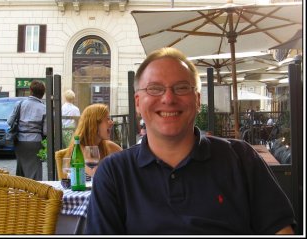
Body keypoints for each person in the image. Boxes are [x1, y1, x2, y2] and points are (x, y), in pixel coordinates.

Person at [86, 47, 295, 235]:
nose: (168, 98)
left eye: (181, 87)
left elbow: (280, 230)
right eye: (155, 88)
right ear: (138, 103)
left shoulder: (241, 158)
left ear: (197, 100)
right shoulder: (114, 172)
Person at [57, 103, 122, 179]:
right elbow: (96, 175)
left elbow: (129, 164)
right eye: (107, 119)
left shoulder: (110, 146)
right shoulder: (78, 150)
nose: (112, 122)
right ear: (94, 124)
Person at [7, 80, 47, 180]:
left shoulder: (19, 104)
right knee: (35, 170)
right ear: (42, 94)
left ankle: (22, 192)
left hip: (20, 141)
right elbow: (46, 131)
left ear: (30, 90)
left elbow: (9, 121)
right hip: (35, 141)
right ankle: (35, 192)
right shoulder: (44, 108)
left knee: (21, 169)